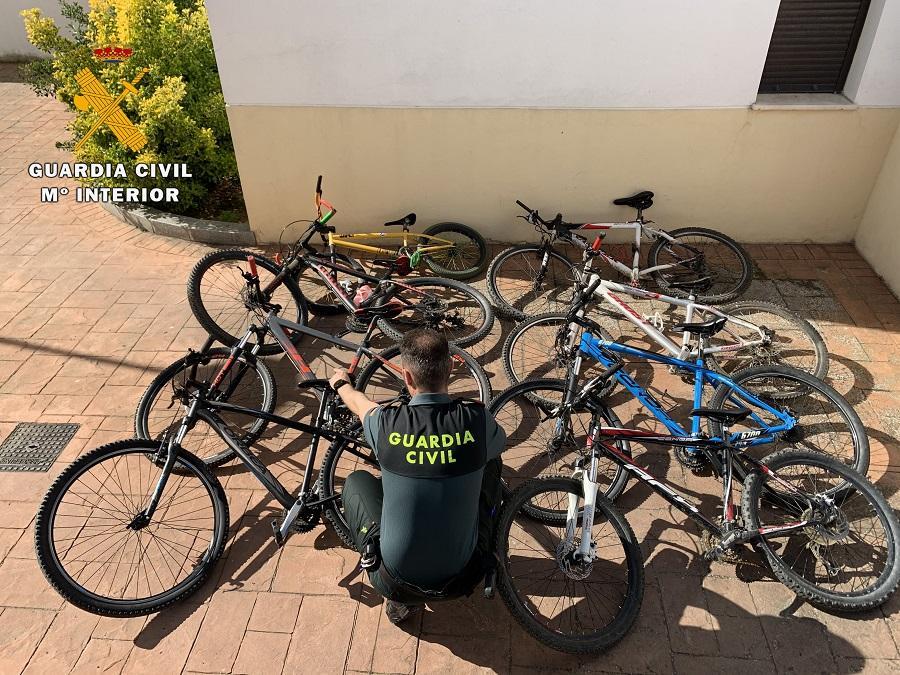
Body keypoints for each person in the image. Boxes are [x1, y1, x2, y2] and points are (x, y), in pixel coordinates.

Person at [328, 328, 506, 625]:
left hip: (395, 580)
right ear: (450, 368)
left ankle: (400, 603)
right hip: (466, 574)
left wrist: (341, 385)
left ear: (406, 378)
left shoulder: (386, 423)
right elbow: (497, 445)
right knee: (490, 463)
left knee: (357, 482)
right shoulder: (477, 420)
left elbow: (360, 405)